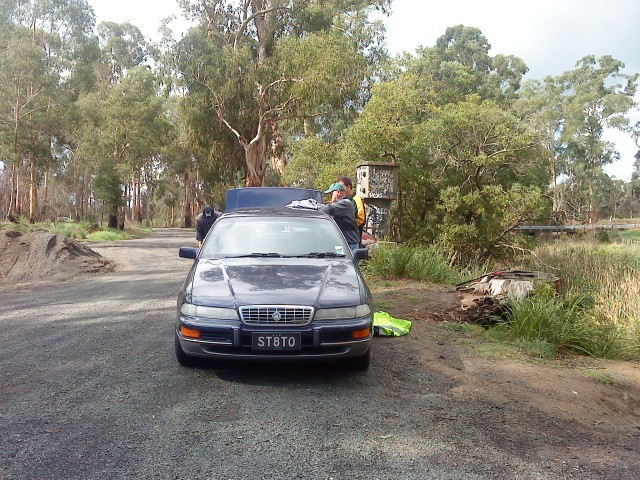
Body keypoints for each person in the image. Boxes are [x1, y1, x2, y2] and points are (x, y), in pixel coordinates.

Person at [320, 182, 360, 253]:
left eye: (331, 194)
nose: (330, 196)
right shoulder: (339, 205)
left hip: (350, 244)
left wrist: (314, 205)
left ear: (338, 192)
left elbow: (327, 209)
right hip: (343, 243)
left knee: (349, 263)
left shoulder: (346, 203)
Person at [338, 176, 366, 246]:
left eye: (342, 187)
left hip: (353, 240)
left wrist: (347, 225)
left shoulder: (356, 199)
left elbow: (361, 219)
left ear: (348, 187)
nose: (340, 189)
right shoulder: (343, 200)